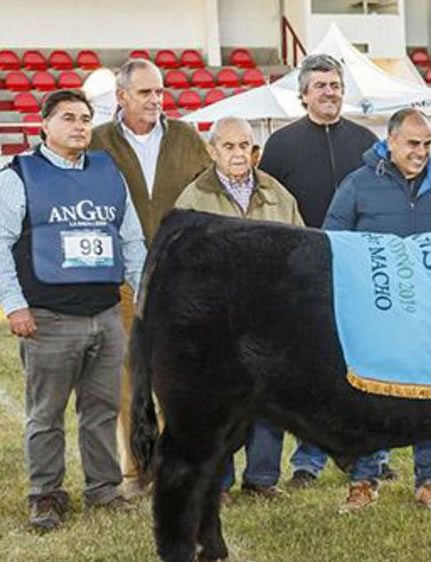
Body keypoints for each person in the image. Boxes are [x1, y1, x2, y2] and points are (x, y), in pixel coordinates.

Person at [0, 89, 147, 530]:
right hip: (47, 316)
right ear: (44, 124)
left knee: (101, 409)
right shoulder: (17, 176)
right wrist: (14, 305)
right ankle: (45, 494)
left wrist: (144, 295)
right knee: (45, 413)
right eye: (68, 117)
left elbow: (131, 240)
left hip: (104, 312)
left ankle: (102, 489)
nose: (80, 125)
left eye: (85, 118)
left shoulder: (108, 173)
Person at [323, 108, 431, 512]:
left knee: (430, 396)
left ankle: (429, 481)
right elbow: (332, 243)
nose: (421, 151)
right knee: (370, 396)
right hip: (374, 315)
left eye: (427, 144)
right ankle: (363, 481)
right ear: (390, 142)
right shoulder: (357, 186)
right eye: (412, 143)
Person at [90, 58, 211, 497]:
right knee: (129, 374)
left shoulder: (185, 137)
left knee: (181, 373)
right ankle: (136, 469)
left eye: (160, 92)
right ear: (121, 97)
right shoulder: (98, 141)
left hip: (180, 277)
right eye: (145, 93)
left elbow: (208, 193)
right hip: (121, 278)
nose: (156, 100)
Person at [258, 54, 379, 488]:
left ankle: (363, 452)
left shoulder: (366, 141)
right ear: (303, 94)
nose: (330, 92)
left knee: (362, 367)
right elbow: (265, 207)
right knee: (309, 369)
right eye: (321, 86)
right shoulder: (281, 145)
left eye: (336, 85)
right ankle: (307, 461)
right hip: (302, 273)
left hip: (361, 271)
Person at [174, 117, 304, 505]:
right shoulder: (193, 198)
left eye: (243, 145)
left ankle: (262, 477)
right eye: (227, 146)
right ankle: (218, 481)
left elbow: (300, 249)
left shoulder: (278, 196)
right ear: (212, 151)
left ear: (254, 151)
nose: (236, 153)